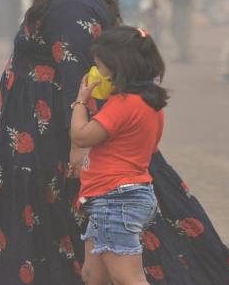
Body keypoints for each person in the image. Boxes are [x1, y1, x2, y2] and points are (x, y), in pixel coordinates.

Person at [0, 0, 229, 285]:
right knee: (66, 235)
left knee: (91, 235)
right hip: (44, 135)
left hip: (59, 141)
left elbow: (81, 79)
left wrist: (78, 148)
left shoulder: (71, 6)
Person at [70, 26, 166, 285]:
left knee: (127, 278)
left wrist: (81, 101)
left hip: (115, 198)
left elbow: (82, 137)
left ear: (117, 68)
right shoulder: (150, 103)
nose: (96, 72)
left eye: (100, 67)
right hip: (122, 196)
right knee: (93, 275)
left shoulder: (123, 104)